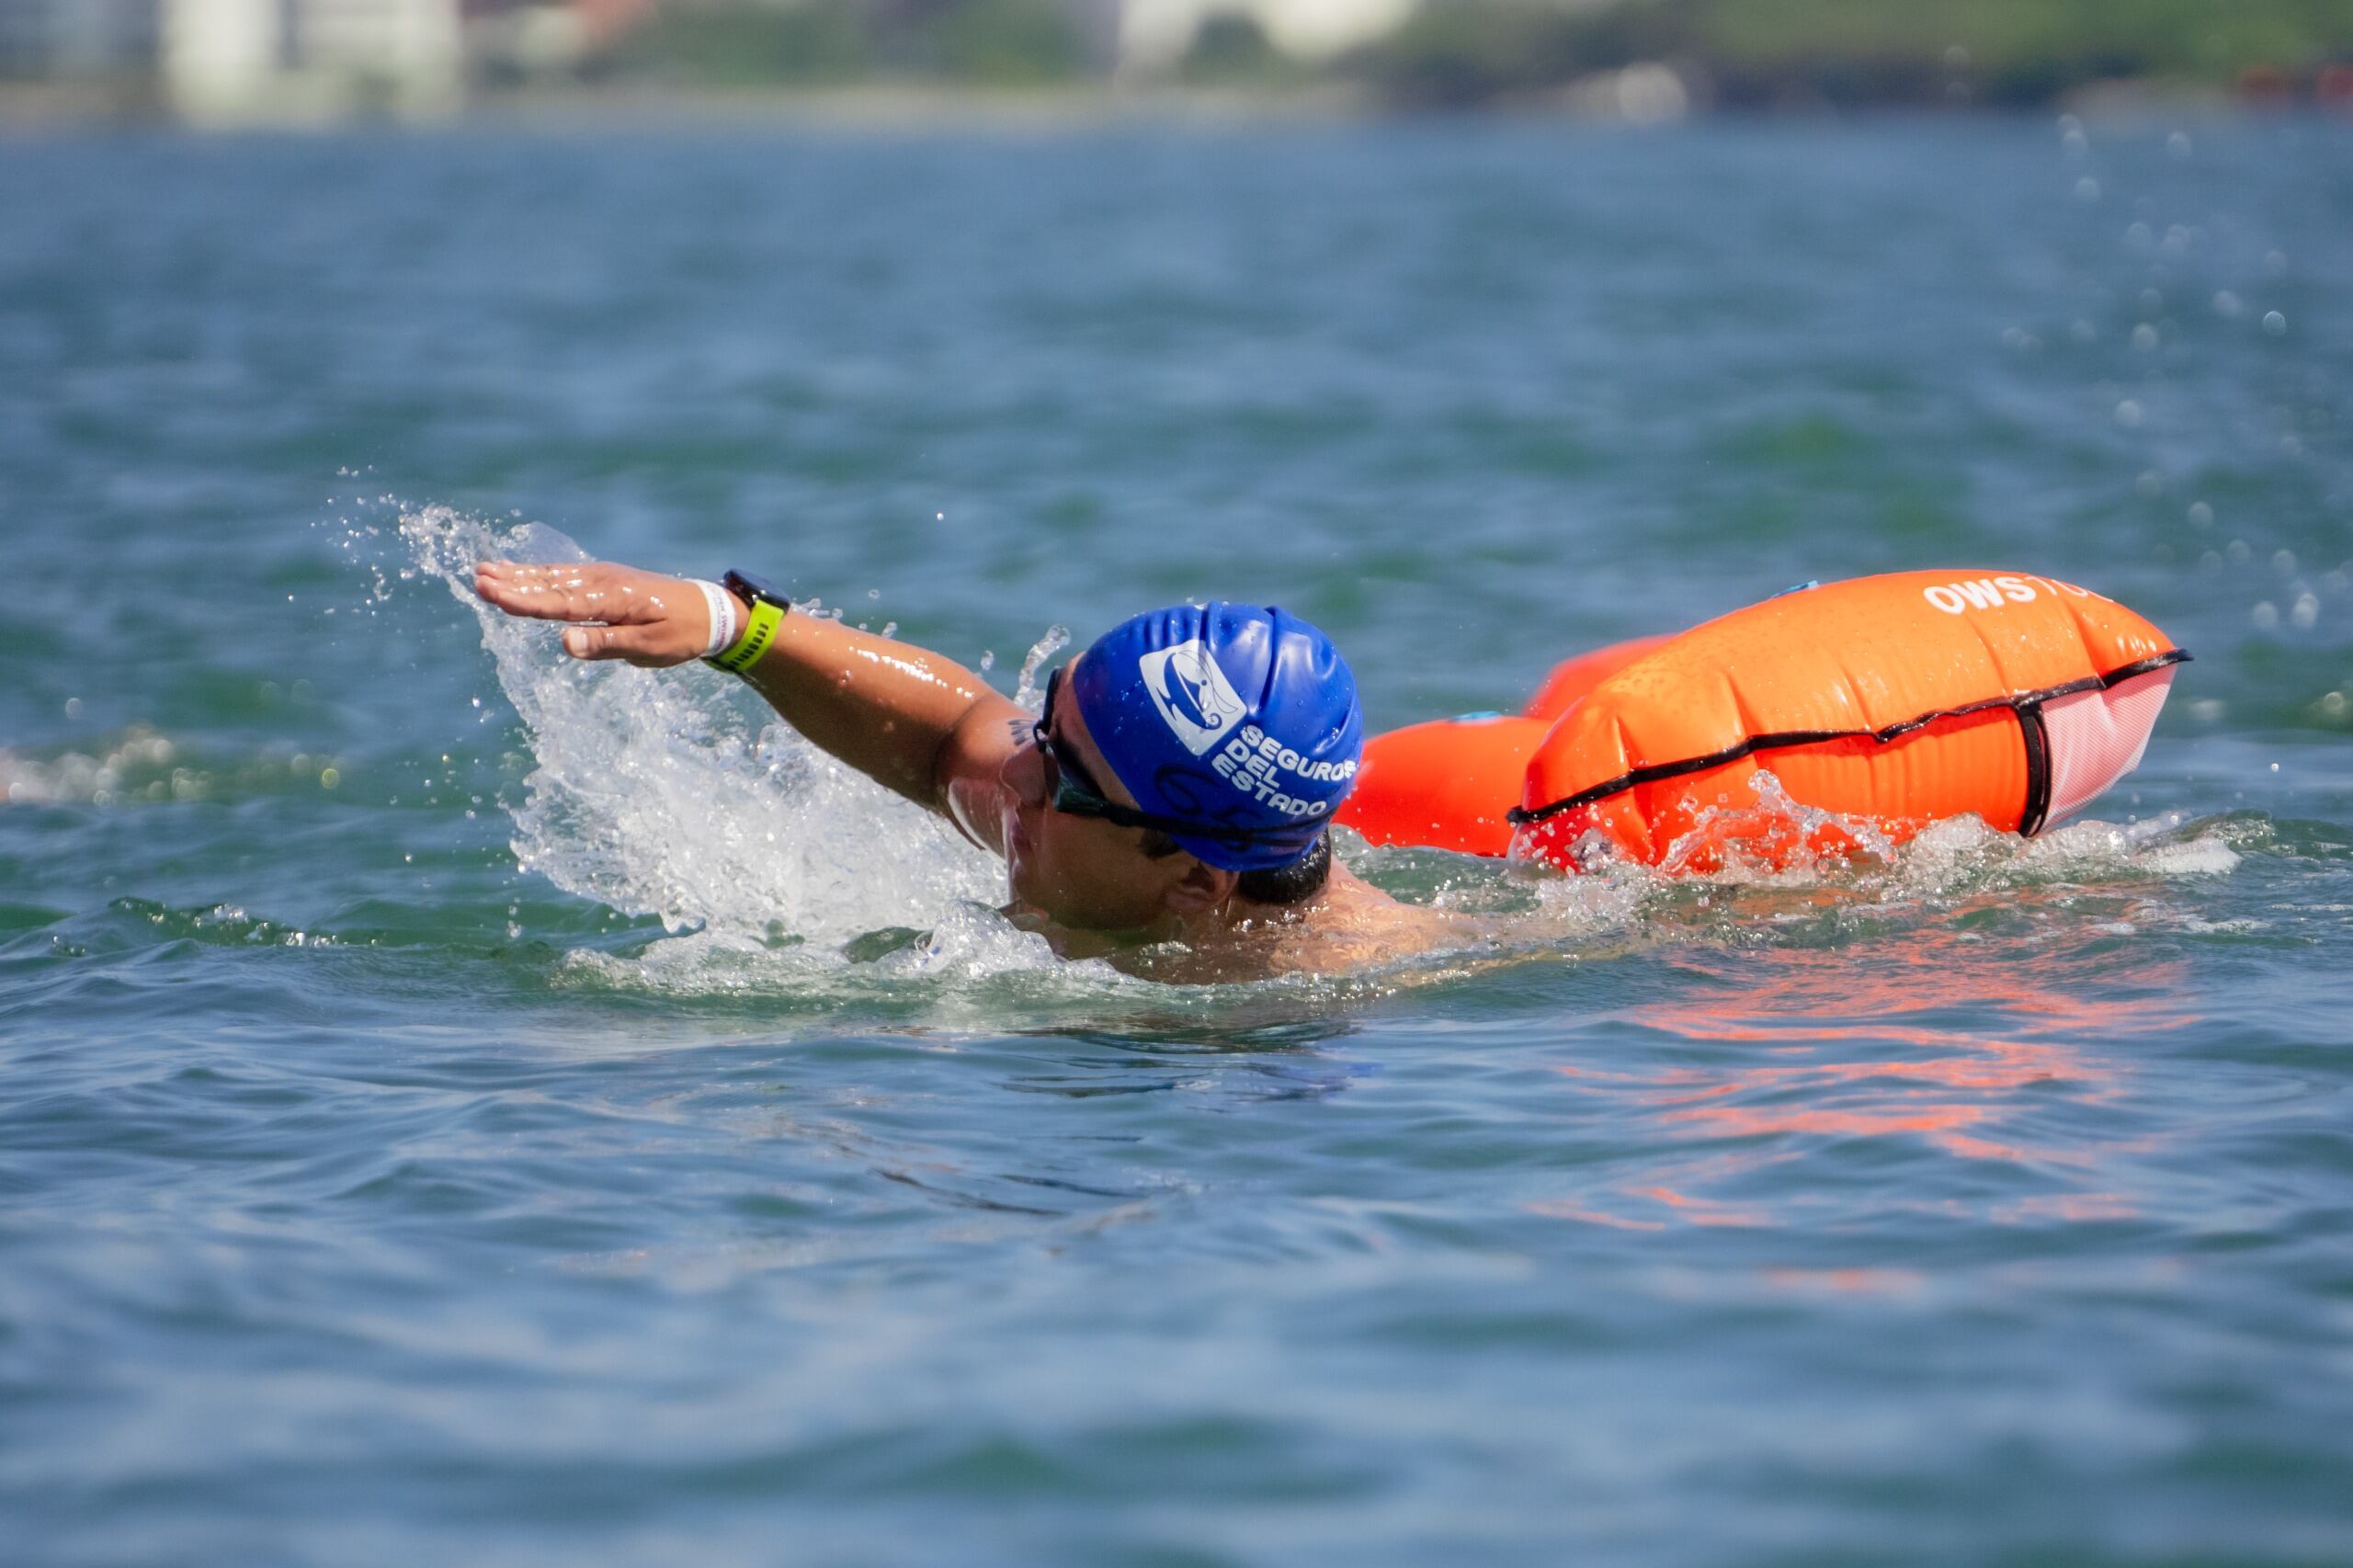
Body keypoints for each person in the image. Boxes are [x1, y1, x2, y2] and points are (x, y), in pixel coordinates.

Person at [473, 558, 1453, 978]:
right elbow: (948, 734)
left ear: (1196, 881)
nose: (1015, 774)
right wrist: (731, 625)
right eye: (1044, 727)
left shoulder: (1344, 977)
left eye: (1063, 779)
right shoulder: (1087, 800)